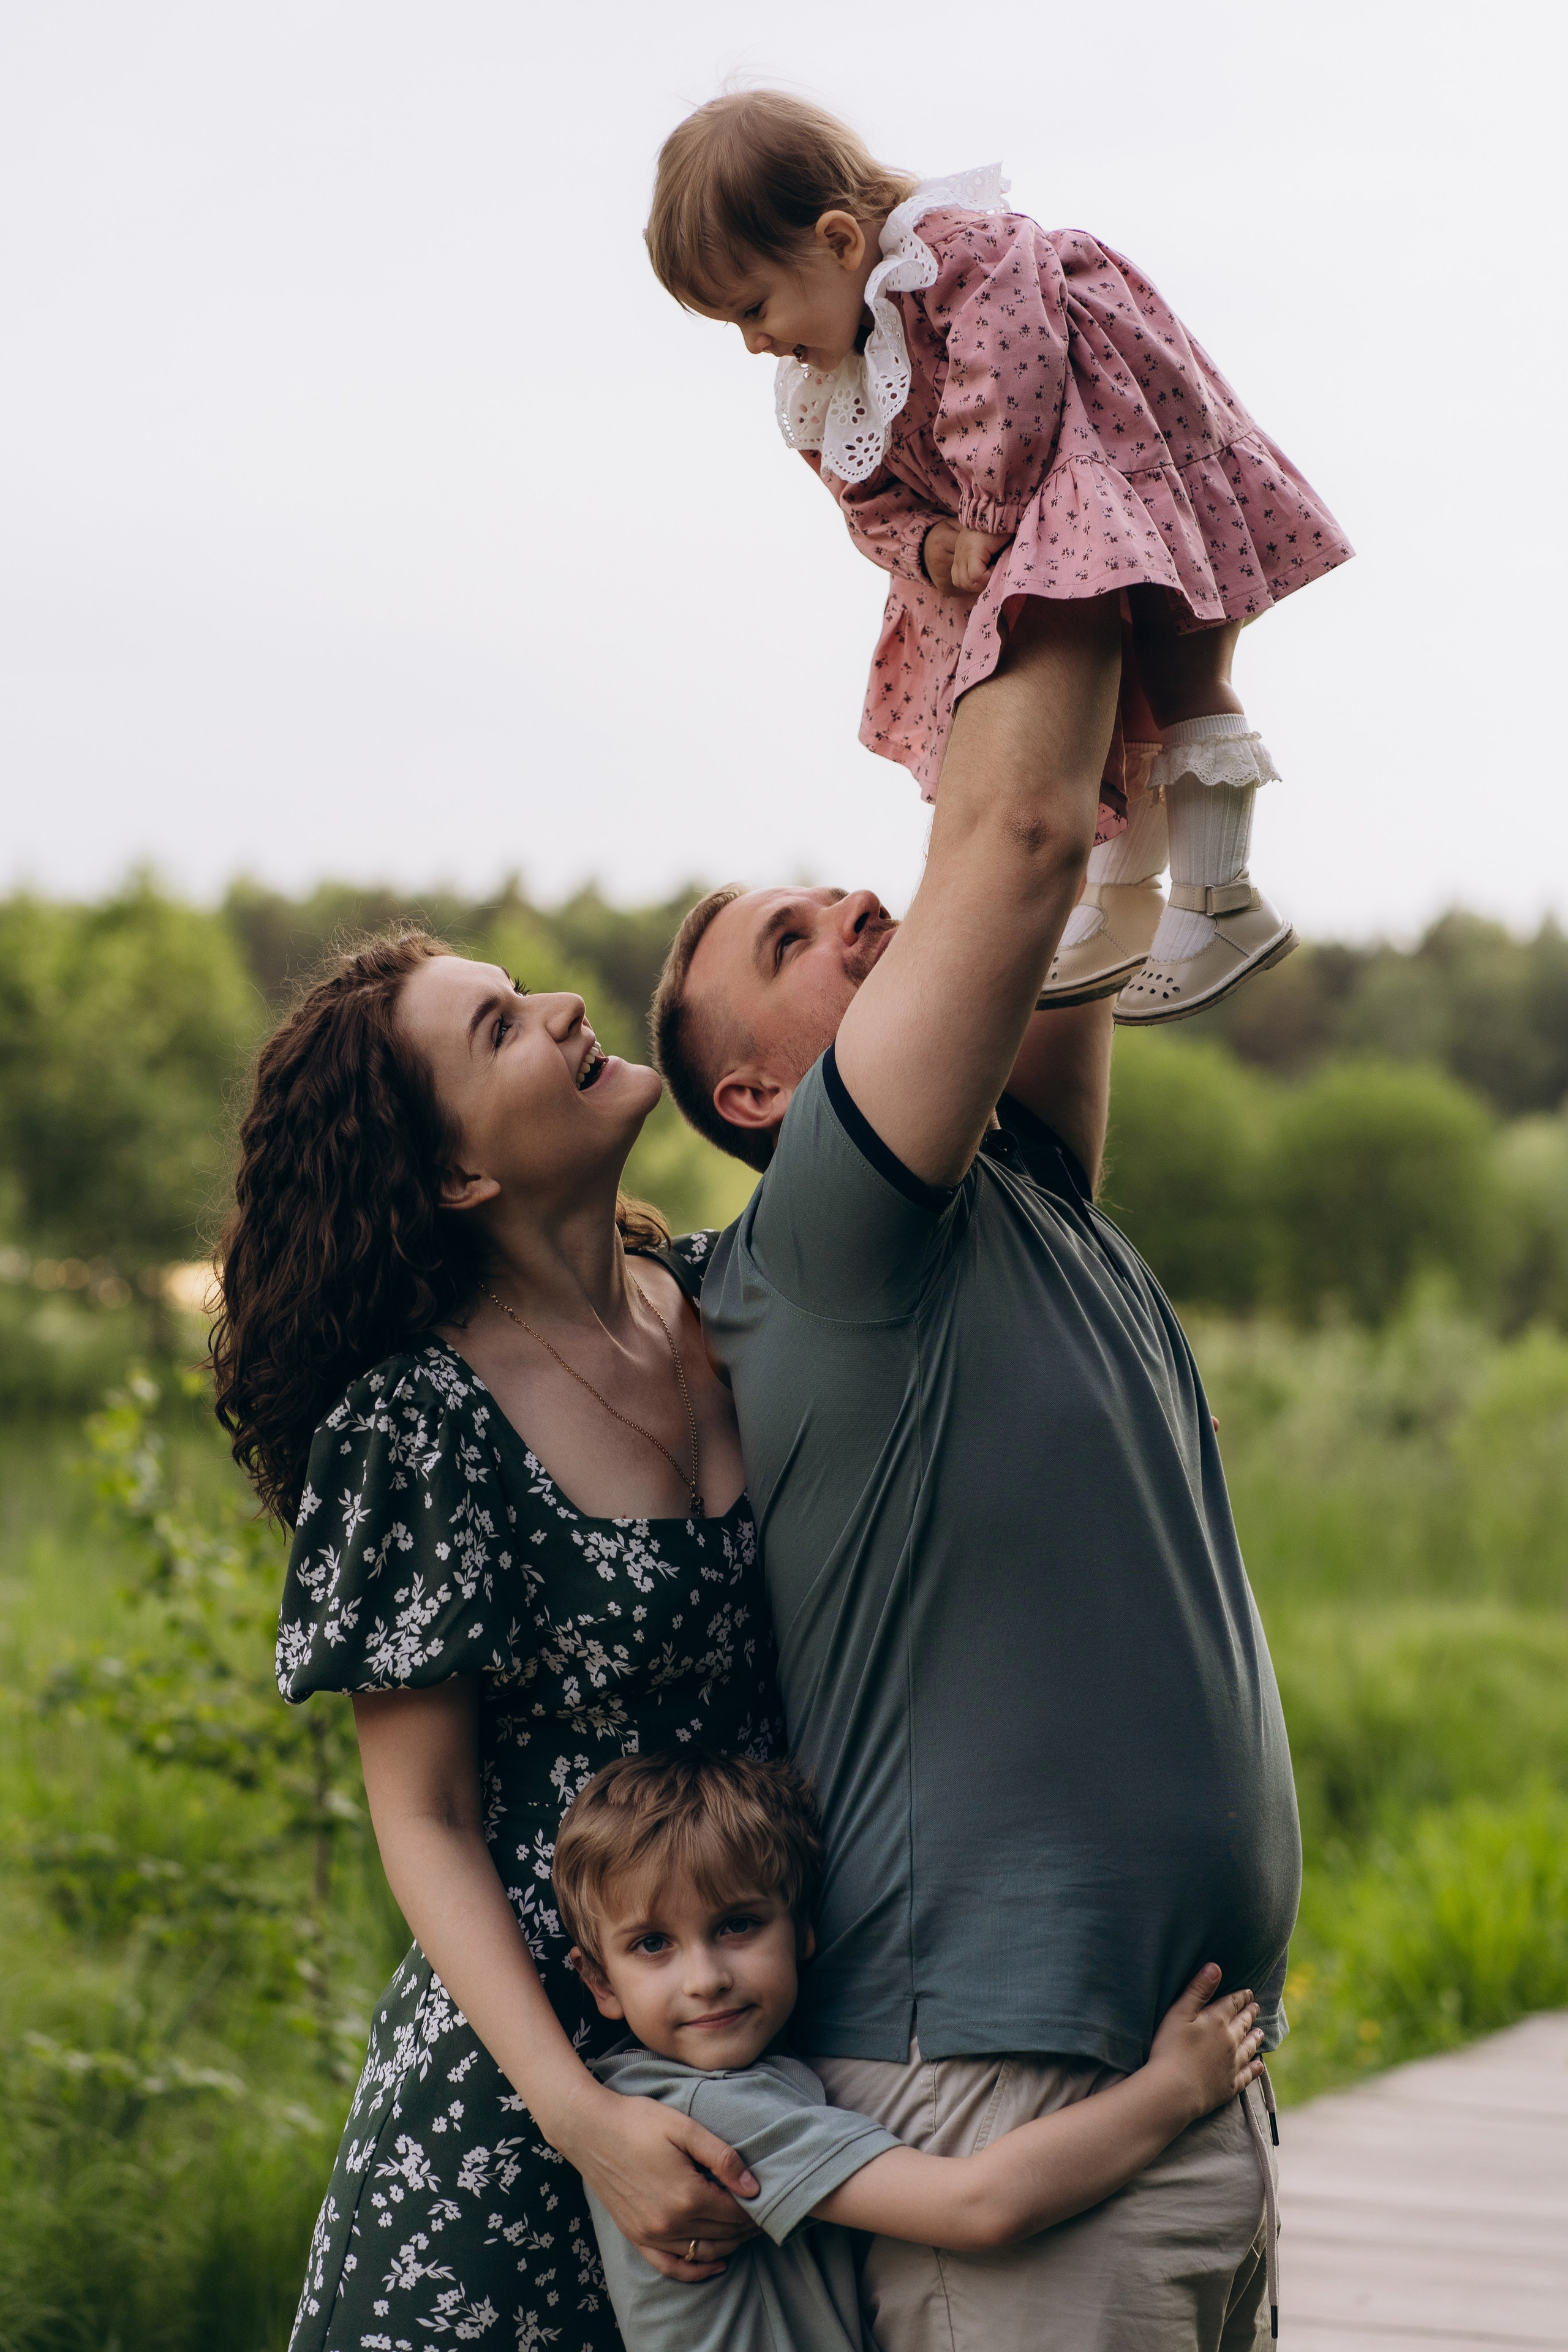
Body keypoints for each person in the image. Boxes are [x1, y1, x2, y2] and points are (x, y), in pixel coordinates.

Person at [649, 585, 1300, 2348]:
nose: (857, 903)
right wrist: (1032, 541)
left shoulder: (1024, 1190)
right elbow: (1014, 843)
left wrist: (1169, 656)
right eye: (788, 942)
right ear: (765, 1101)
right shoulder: (830, 1242)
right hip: (995, 2097)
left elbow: (1094, 863)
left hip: (1160, 2086)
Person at [210, 930, 786, 2352]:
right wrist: (581, 2115)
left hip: (752, 2038)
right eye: (501, 1028)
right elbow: (424, 1811)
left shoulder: (738, 1302)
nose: (564, 1007)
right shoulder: (418, 1421)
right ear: (461, 1175)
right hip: (515, 2120)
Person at [646, 89, 1353, 1023]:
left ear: (838, 242)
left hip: (1126, 475)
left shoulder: (958, 261)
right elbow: (855, 493)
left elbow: (1009, 382)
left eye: (754, 306)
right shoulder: (829, 378)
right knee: (1109, 707)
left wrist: (984, 504)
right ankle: (1118, 900)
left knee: (1184, 676)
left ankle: (1223, 901)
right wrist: (932, 542)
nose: (753, 342)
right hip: (1038, 517)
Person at [554, 1747, 1267, 2352]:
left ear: (803, 1929)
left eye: (737, 1925)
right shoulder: (704, 2108)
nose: (706, 1979)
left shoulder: (710, 2082)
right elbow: (979, 2207)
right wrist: (1177, 2086)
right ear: (598, 1981)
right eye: (653, 1945)